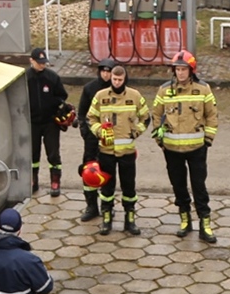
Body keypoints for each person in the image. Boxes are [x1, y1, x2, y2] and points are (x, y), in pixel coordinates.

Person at [149, 50, 218, 243]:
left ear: (191, 70)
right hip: (171, 150)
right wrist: (159, 139)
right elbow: (156, 114)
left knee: (199, 187)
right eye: (177, 69)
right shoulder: (164, 90)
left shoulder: (203, 89)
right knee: (178, 186)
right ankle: (185, 219)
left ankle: (205, 224)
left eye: (183, 69)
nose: (180, 73)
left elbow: (212, 115)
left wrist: (208, 139)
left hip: (197, 149)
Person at [86, 61, 149, 235]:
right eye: (114, 79)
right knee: (107, 187)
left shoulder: (135, 96)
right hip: (106, 151)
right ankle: (107, 218)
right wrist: (99, 131)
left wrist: (136, 132)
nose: (117, 82)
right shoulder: (100, 96)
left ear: (125, 79)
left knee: (129, 187)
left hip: (127, 151)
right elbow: (90, 118)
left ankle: (130, 219)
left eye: (120, 79)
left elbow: (146, 117)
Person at [25, 47, 69, 197]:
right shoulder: (25, 79)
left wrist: (55, 105)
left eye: (44, 62)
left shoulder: (52, 78)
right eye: (39, 62)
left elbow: (62, 96)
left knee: (53, 154)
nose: (42, 65)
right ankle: (33, 180)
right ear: (31, 61)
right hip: (32, 123)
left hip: (50, 122)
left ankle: (55, 181)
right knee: (32, 154)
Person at [77, 60, 115, 222]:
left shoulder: (118, 90)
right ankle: (91, 206)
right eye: (103, 71)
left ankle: (108, 207)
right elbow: (82, 113)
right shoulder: (89, 88)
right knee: (88, 171)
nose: (106, 75)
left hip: (109, 141)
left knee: (108, 173)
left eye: (109, 72)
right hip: (92, 139)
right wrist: (85, 132)